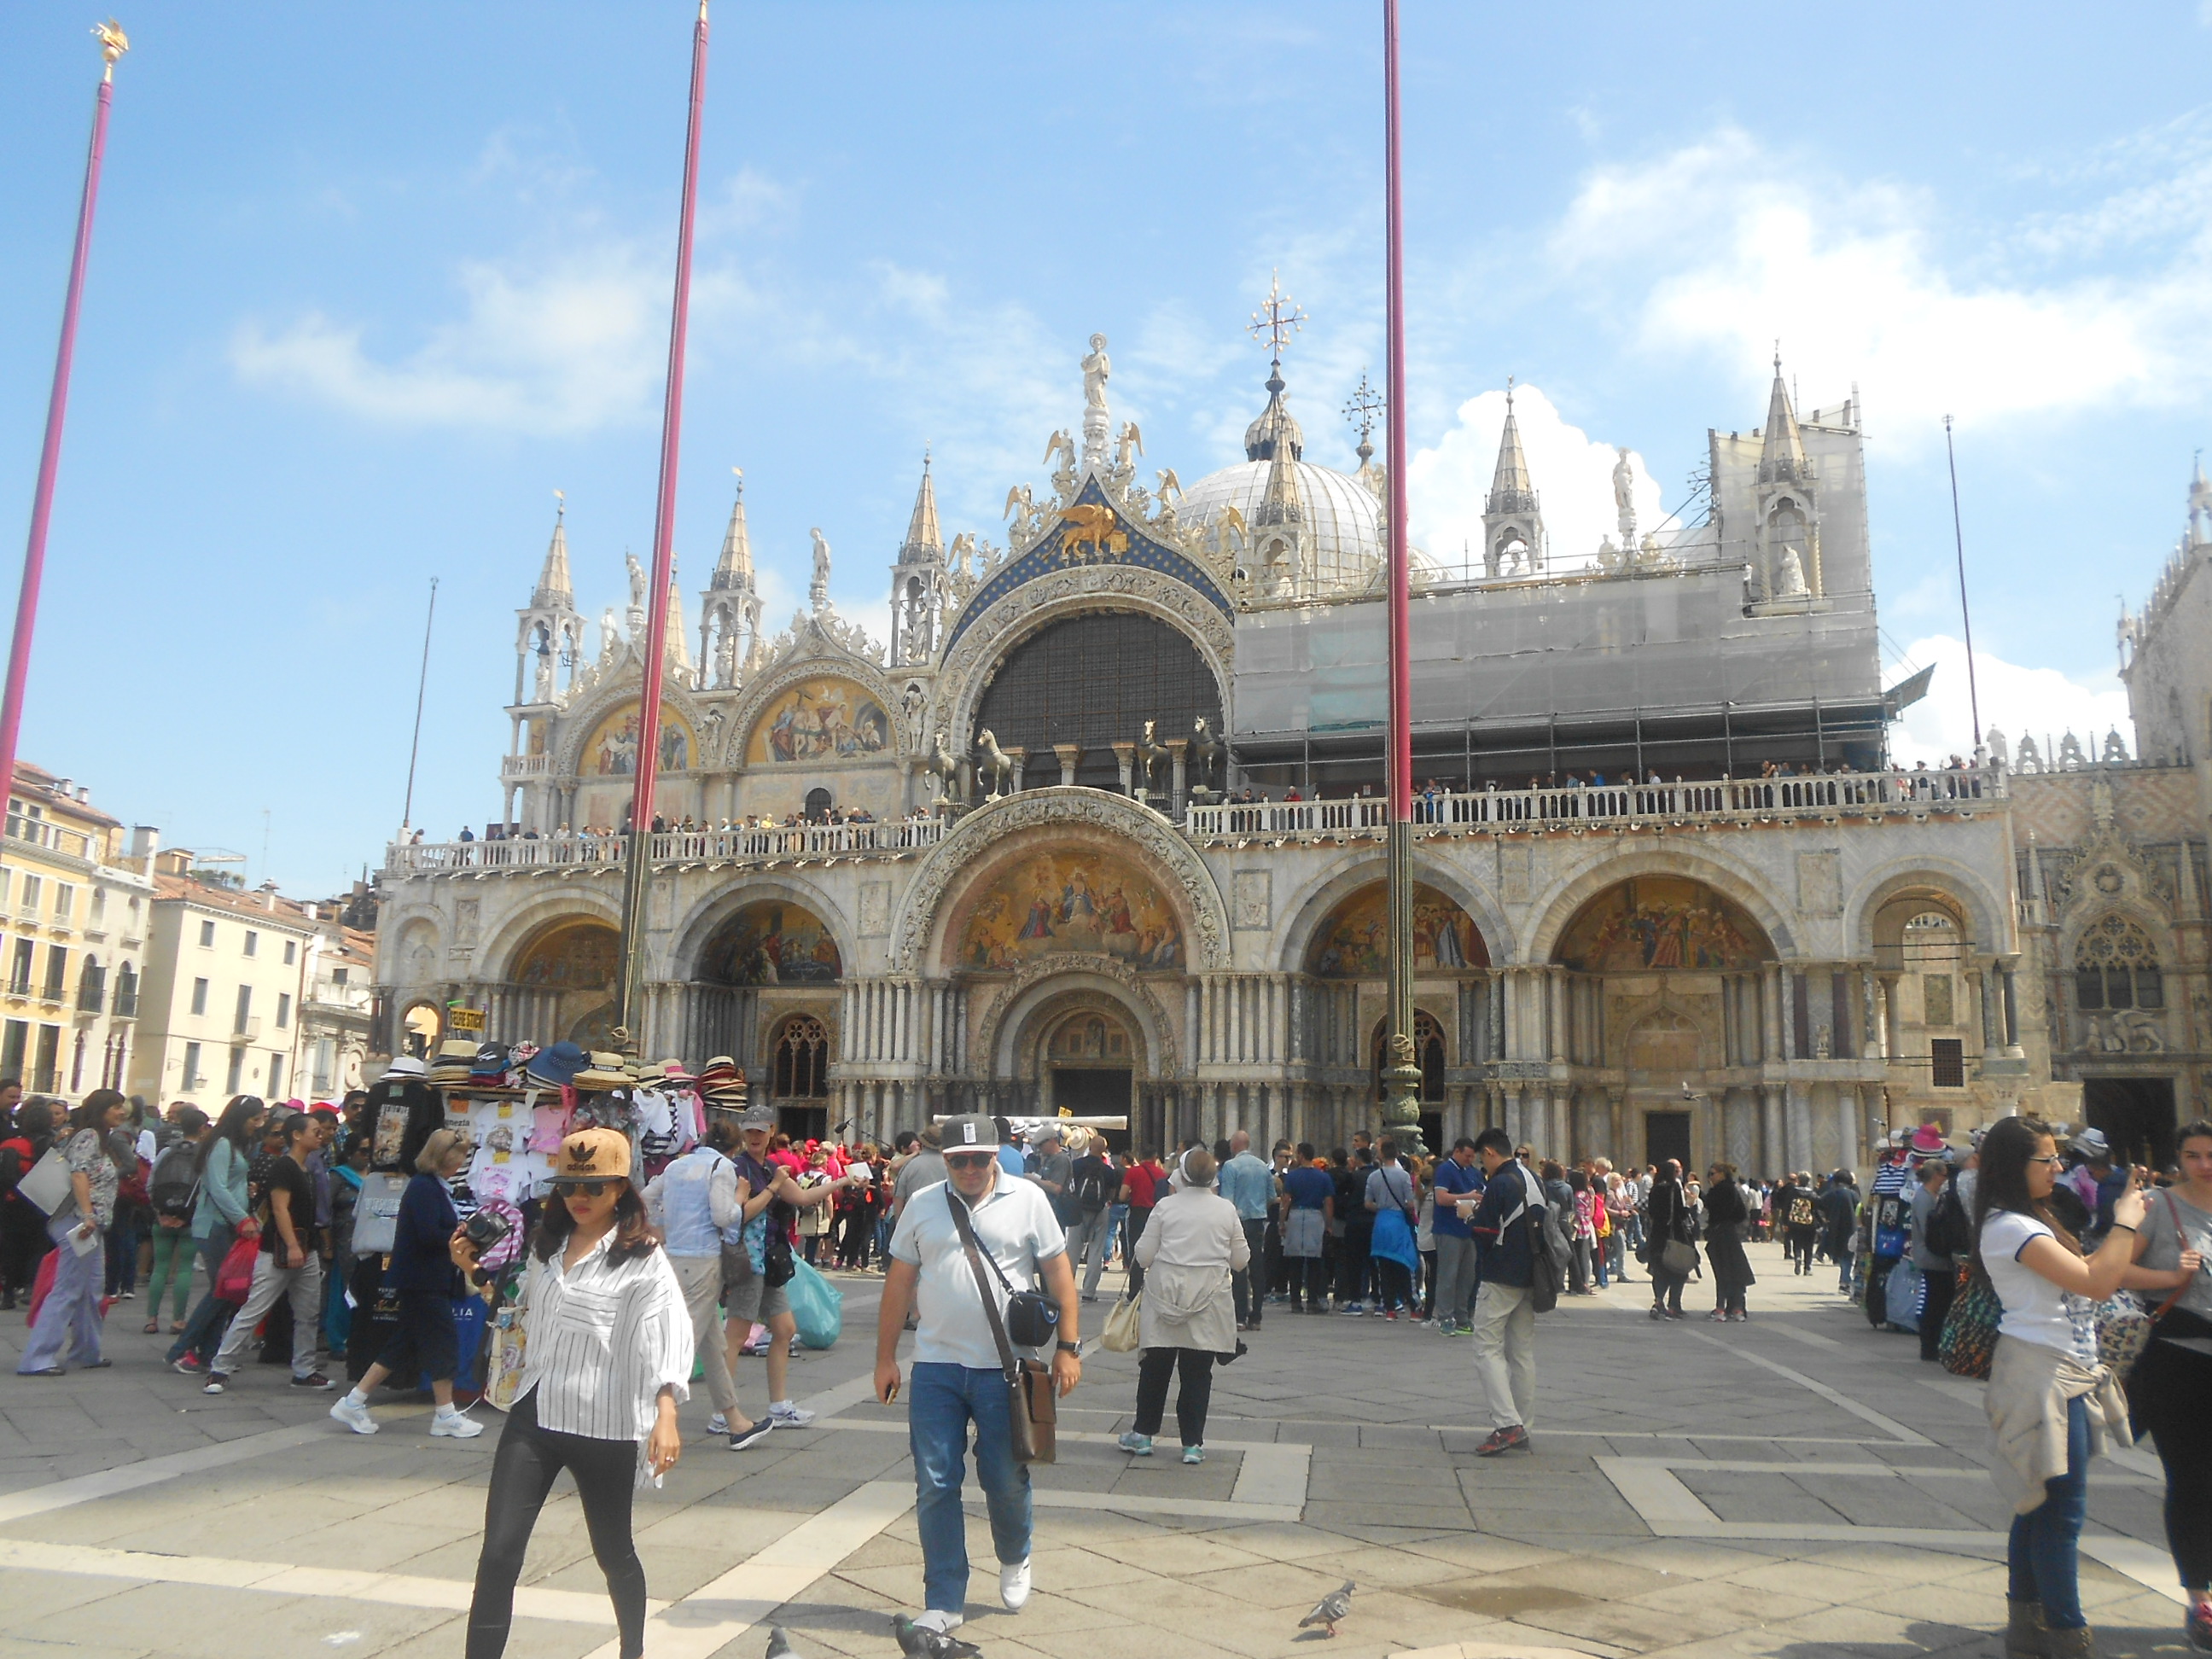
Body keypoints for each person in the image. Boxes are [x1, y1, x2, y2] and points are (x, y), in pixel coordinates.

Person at [464, 1127, 691, 1659]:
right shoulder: (547, 1247)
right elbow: (518, 1313)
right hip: (535, 1414)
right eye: (568, 1187)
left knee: (613, 1552)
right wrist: (472, 1270)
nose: (579, 1198)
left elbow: (667, 1333)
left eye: (593, 1187)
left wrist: (666, 1413)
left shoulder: (644, 1259)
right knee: (498, 1554)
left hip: (605, 1422)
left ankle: (631, 1650)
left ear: (621, 1189)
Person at [1976, 1115, 2178, 1659]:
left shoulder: (2032, 1220)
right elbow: (2094, 1279)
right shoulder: (2011, 1228)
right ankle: (2067, 1634)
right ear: (2016, 1167)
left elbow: (2092, 1269)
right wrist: (2125, 1220)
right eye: (2048, 1159)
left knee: (2038, 1505)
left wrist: (2167, 1276)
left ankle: (2027, 1626)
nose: (2059, 1167)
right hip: (2043, 1376)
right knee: (2061, 1514)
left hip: (2062, 1372)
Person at [876, 1113, 1080, 1636]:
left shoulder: (1029, 1199)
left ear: (997, 1156)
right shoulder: (924, 1205)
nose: (968, 1169)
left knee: (1004, 1478)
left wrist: (1069, 1347)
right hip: (937, 1365)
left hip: (1005, 1367)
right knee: (936, 1483)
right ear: (944, 1159)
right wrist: (884, 1358)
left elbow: (1059, 1271)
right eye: (958, 1160)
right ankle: (944, 1597)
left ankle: (1015, 1553)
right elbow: (899, 1284)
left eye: (978, 1159)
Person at [330, 1127, 486, 1438]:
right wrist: (460, 1235)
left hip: (423, 1278)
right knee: (442, 1344)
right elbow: (429, 1234)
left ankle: (355, 1400)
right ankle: (445, 1414)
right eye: (458, 1158)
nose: (461, 1163)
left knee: (402, 1345)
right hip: (422, 1279)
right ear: (443, 1158)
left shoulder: (432, 1187)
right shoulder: (425, 1188)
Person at [2122, 1118, 2212, 1652]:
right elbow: (2113, 1270)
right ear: (2179, 1159)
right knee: (2192, 1480)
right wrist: (2169, 1277)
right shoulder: (2159, 1208)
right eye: (2195, 1155)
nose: (2205, 1164)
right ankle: (2199, 1599)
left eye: (2211, 1154)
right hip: (2176, 1362)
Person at [726, 1104, 861, 1432]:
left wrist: (841, 1180)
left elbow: (801, 1198)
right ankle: (723, 1410)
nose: (755, 1136)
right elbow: (739, 1214)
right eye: (750, 1131)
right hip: (747, 1259)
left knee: (785, 1330)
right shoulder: (737, 1169)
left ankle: (779, 1406)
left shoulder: (770, 1166)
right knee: (735, 1336)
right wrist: (773, 1188)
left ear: (771, 1131)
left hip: (770, 1258)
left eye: (761, 1130)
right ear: (743, 1133)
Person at [640, 1120, 761, 1449]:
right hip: (704, 1259)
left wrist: (661, 1228)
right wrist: (740, 1198)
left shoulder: (679, 1165)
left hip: (674, 1257)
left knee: (712, 1344)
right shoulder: (721, 1167)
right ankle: (650, 1419)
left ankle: (735, 1419)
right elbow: (723, 1216)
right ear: (734, 1148)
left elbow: (645, 1196)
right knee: (684, 1343)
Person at [1121, 1147, 1244, 1462]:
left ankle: (1144, 1434)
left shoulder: (1165, 1207)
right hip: (1209, 1298)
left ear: (1183, 1175)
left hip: (1166, 1294)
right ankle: (1192, 1443)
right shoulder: (1226, 1210)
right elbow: (1241, 1261)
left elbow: (1144, 1256)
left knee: (1155, 1368)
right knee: (1197, 1373)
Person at [204, 1110, 335, 1393]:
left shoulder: (307, 1166)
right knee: (254, 1308)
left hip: (307, 1248)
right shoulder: (284, 1167)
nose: (320, 1135)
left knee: (308, 1313)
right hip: (278, 1249)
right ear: (297, 1135)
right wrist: (290, 1245)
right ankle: (220, 1368)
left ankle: (304, 1370)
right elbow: (279, 1209)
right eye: (315, 1130)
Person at [17, 1091, 129, 1376]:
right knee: (67, 1288)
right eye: (116, 1107)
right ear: (102, 1109)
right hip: (79, 1223)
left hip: (88, 1224)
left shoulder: (98, 1138)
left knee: (91, 1289)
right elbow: (78, 1174)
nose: (122, 1111)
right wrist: (88, 1214)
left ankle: (86, 1351)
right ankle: (38, 1358)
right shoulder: (89, 1136)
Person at [167, 1095, 267, 1373]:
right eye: (254, 1119)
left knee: (225, 1291)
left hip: (225, 1225)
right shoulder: (222, 1144)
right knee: (222, 1291)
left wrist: (245, 1194)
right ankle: (182, 1349)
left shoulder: (231, 1145)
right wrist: (243, 1219)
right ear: (240, 1118)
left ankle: (209, 1353)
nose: (257, 1125)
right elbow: (217, 1187)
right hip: (214, 1225)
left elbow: (227, 1185)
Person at [1464, 1127, 1540, 1455]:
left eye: (1483, 1158)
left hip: (1500, 1275)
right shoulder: (1532, 1179)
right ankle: (1523, 1424)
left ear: (1491, 1153)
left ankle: (1508, 1424)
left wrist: (1469, 1216)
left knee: (1487, 1347)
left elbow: (1484, 1232)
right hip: (1531, 1274)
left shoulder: (1498, 1184)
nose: (1484, 1164)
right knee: (1521, 1353)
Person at [143, 1104, 209, 1334]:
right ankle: (178, 1320)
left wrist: (161, 1212)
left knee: (160, 1267)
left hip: (162, 1217)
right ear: (202, 1128)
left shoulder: (166, 1152)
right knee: (184, 1269)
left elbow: (150, 1185)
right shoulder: (205, 1154)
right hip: (190, 1220)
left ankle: (152, 1319)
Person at [0, 1087, 50, 1309]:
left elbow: (6, 1176)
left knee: (11, 1248)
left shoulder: (12, 1144)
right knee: (38, 1247)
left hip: (12, 1202)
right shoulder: (52, 1145)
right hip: (41, 1202)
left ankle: (8, 1293)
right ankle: (33, 1288)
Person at [1218, 1130, 1273, 1330]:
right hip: (1258, 1222)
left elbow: (1227, 1200)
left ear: (1234, 1146)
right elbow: (1271, 1196)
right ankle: (1256, 1316)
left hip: (1238, 1222)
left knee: (1239, 1268)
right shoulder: (1263, 1166)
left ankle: (1240, 1317)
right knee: (1257, 1268)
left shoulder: (1231, 1167)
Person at [1911, 1155, 1963, 1363]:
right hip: (1931, 1258)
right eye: (1944, 1175)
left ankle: (1934, 1344)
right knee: (1935, 1303)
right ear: (1936, 1176)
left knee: (1939, 1302)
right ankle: (1930, 1346)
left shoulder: (1931, 1195)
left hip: (1936, 1257)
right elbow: (1928, 1231)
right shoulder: (1924, 1198)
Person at [1430, 1138, 1483, 1335]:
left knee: (1467, 1277)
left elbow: (1481, 1193)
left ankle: (1462, 1317)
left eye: (1473, 1156)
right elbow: (1441, 1198)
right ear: (1457, 1152)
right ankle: (1445, 1317)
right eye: (1467, 1156)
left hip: (1468, 1230)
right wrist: (1466, 1197)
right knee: (1448, 1275)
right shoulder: (1445, 1170)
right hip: (1448, 1229)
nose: (1470, 1159)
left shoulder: (1473, 1172)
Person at [1365, 1136, 1420, 1320]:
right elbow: (1411, 1204)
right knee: (1405, 1264)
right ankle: (1413, 1307)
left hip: (1381, 1223)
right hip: (1398, 1224)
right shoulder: (1404, 1176)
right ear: (1396, 1154)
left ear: (1380, 1155)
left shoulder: (1373, 1176)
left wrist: (1381, 1207)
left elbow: (1367, 1203)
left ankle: (1389, 1308)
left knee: (1384, 1268)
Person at [1063, 1131, 1118, 1302]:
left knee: (1072, 1250)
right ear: (1104, 1150)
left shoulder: (1077, 1165)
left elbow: (1069, 1185)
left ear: (1089, 1146)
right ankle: (1088, 1292)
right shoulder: (1109, 1171)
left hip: (1077, 1209)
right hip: (1099, 1210)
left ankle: (1066, 1289)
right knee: (1096, 1252)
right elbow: (1112, 1193)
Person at [1278, 1143, 1332, 1313]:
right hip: (1315, 1216)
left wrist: (1282, 1221)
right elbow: (1329, 1203)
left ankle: (1295, 1301)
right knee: (1315, 1260)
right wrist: (1328, 1224)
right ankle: (1313, 1300)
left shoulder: (1292, 1177)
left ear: (1301, 1155)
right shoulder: (1323, 1177)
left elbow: (1286, 1201)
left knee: (1295, 1260)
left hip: (1296, 1215)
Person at [1701, 1161, 1753, 1321]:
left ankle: (1720, 1308)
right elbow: (1742, 1214)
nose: (1710, 1178)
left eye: (1712, 1174)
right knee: (1734, 1271)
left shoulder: (1719, 1190)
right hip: (1730, 1234)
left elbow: (1712, 1206)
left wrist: (1700, 1196)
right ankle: (1737, 1308)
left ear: (1722, 1174)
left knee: (1722, 1272)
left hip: (1719, 1234)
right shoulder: (1734, 1189)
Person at [1645, 1160, 1696, 1319]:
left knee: (1659, 1270)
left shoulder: (1655, 1189)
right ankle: (1674, 1305)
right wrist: (1690, 1205)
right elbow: (1680, 1213)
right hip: (1674, 1234)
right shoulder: (1674, 1188)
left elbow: (1651, 1212)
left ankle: (1659, 1301)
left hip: (1658, 1234)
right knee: (1678, 1270)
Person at [1118, 1148, 1166, 1296]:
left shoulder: (1133, 1172)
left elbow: (1122, 1195)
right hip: (1157, 1214)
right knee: (1158, 1251)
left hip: (1137, 1214)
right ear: (1155, 1157)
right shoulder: (1162, 1174)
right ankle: (1156, 1290)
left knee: (1136, 1252)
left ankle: (1134, 1292)